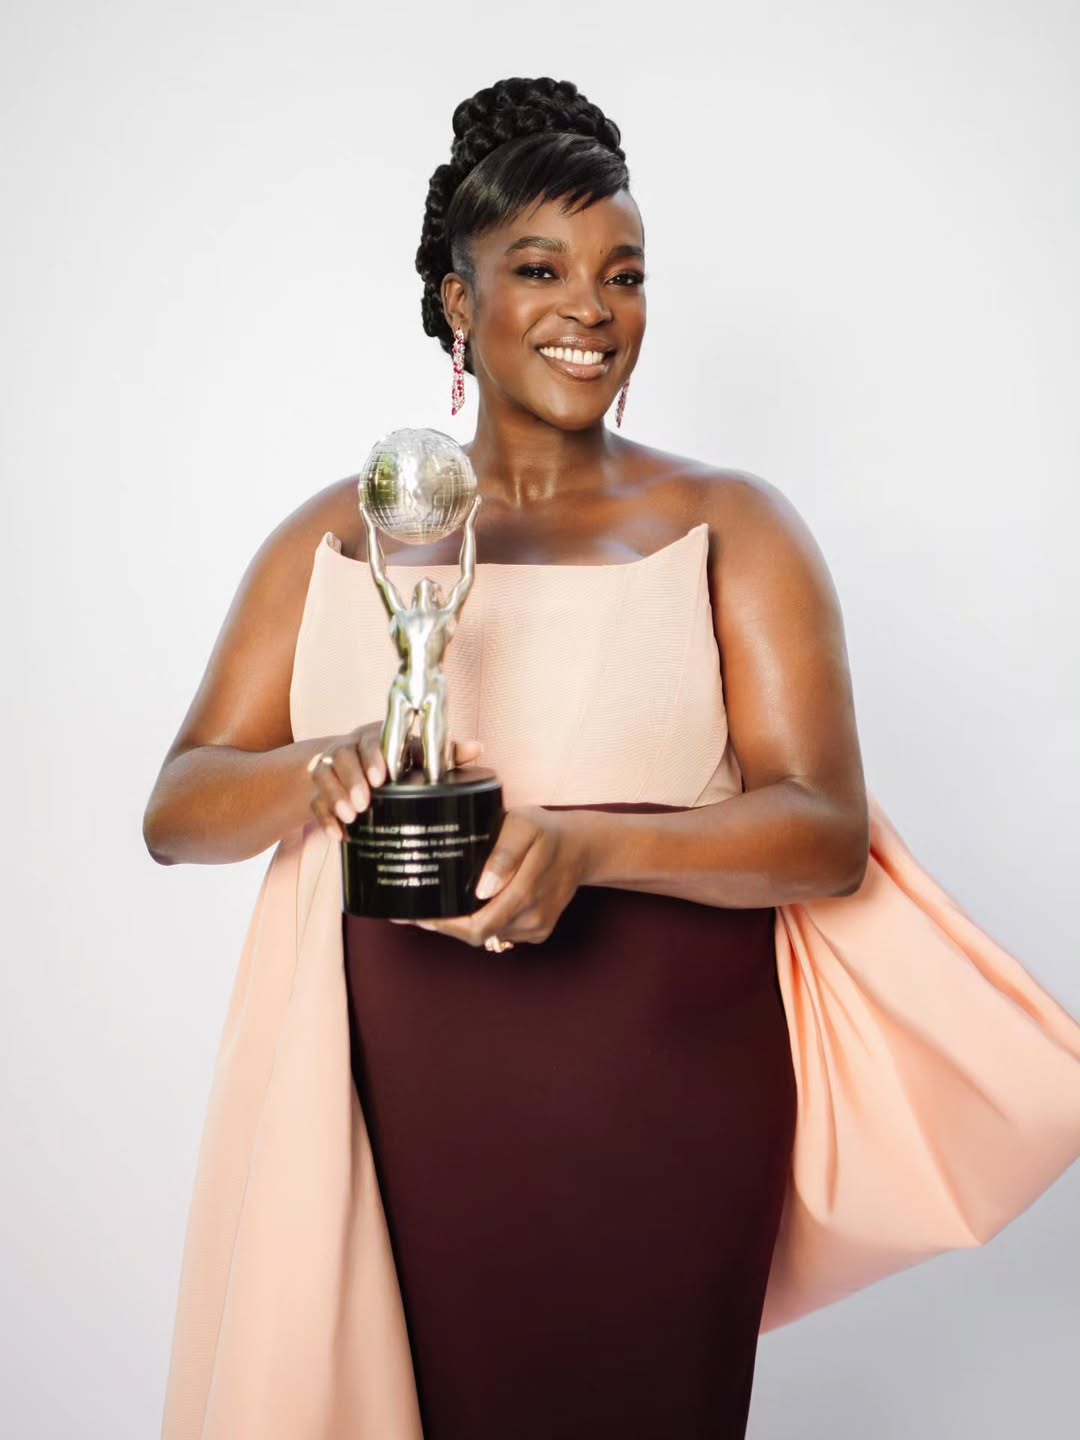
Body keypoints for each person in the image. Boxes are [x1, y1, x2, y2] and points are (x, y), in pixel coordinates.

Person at [147, 77, 1080, 1440]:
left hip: (662, 1104)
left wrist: (587, 846)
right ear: (458, 305)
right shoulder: (339, 540)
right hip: (393, 1113)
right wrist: (327, 765)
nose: (593, 308)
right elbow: (180, 808)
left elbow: (823, 831)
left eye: (623, 275)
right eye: (541, 269)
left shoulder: (727, 526)